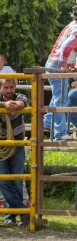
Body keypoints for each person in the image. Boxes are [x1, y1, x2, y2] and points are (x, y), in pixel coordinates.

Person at [44, 5, 77, 140]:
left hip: (52, 63)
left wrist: (68, 65)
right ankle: (59, 133)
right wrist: (64, 65)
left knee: (57, 97)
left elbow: (65, 48)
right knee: (61, 100)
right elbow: (66, 49)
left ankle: (47, 122)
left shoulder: (70, 27)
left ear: (74, 17)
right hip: (57, 66)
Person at [0, 79, 29, 228]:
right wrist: (3, 105)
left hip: (17, 145)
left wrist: (14, 105)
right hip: (1, 148)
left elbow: (23, 102)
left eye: (11, 87)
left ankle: (10, 216)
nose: (9, 90)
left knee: (17, 181)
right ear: (1, 88)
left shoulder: (20, 96)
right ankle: (25, 213)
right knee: (3, 181)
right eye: (6, 87)